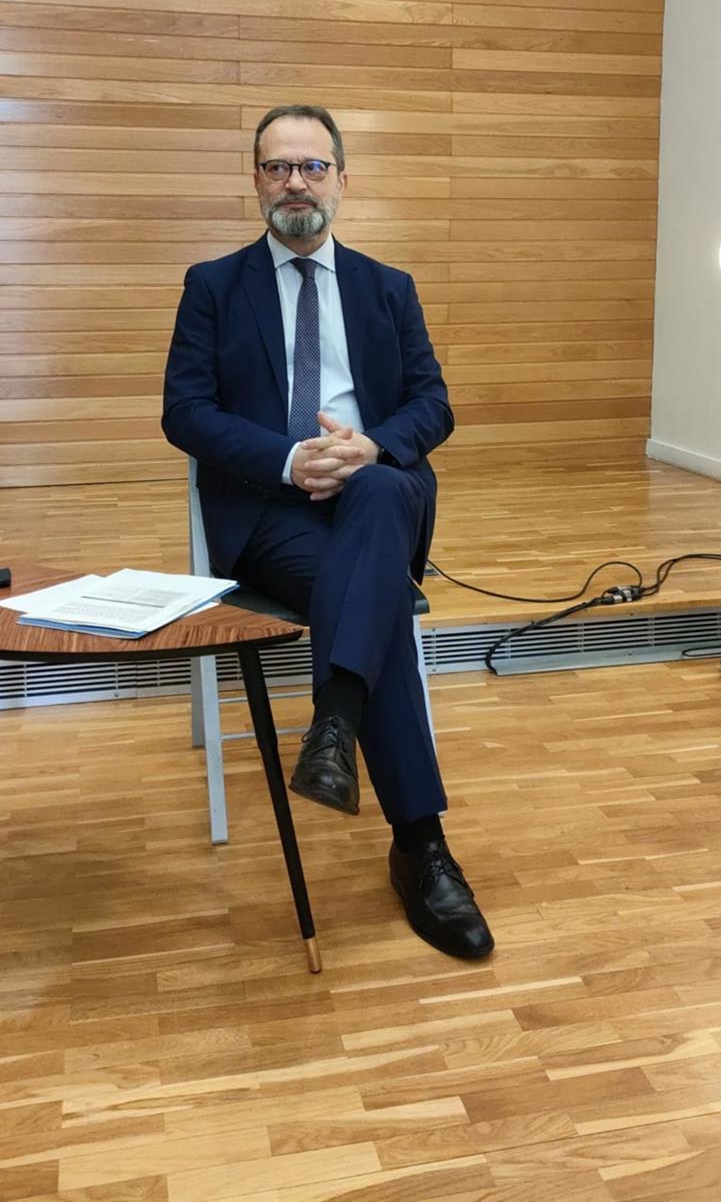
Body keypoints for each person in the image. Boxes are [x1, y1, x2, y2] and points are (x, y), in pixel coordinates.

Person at [163, 105, 494, 960]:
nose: (296, 183)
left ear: (343, 180)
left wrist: (370, 446)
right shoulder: (214, 286)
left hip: (375, 493)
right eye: (279, 167)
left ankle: (335, 727)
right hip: (272, 513)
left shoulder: (389, 287)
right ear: (256, 182)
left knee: (379, 491)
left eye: (312, 167)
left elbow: (434, 404)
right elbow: (184, 412)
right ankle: (420, 846)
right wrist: (288, 461)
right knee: (372, 609)